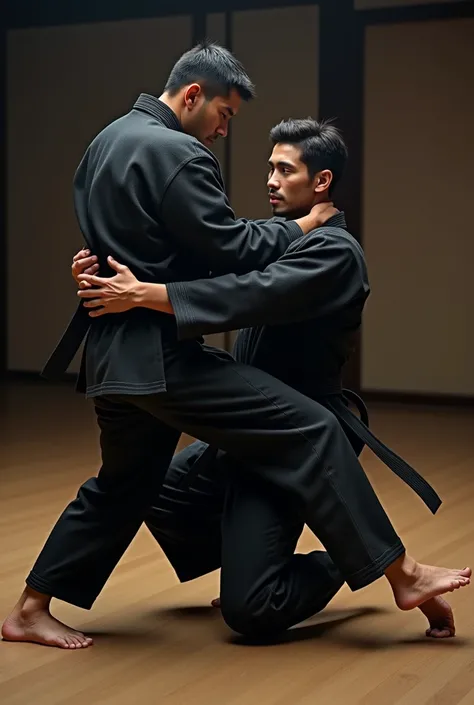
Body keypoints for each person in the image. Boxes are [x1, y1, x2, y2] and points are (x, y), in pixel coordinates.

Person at [2, 46, 467, 652]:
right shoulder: (178, 152)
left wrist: (121, 282)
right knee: (305, 432)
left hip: (114, 353)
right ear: (193, 95)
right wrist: (294, 228)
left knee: (128, 482)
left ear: (321, 181)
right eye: (224, 113)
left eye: (284, 171)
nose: (225, 132)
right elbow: (230, 253)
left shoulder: (105, 142)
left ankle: (31, 606)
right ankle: (392, 572)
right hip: (157, 355)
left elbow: (175, 258)